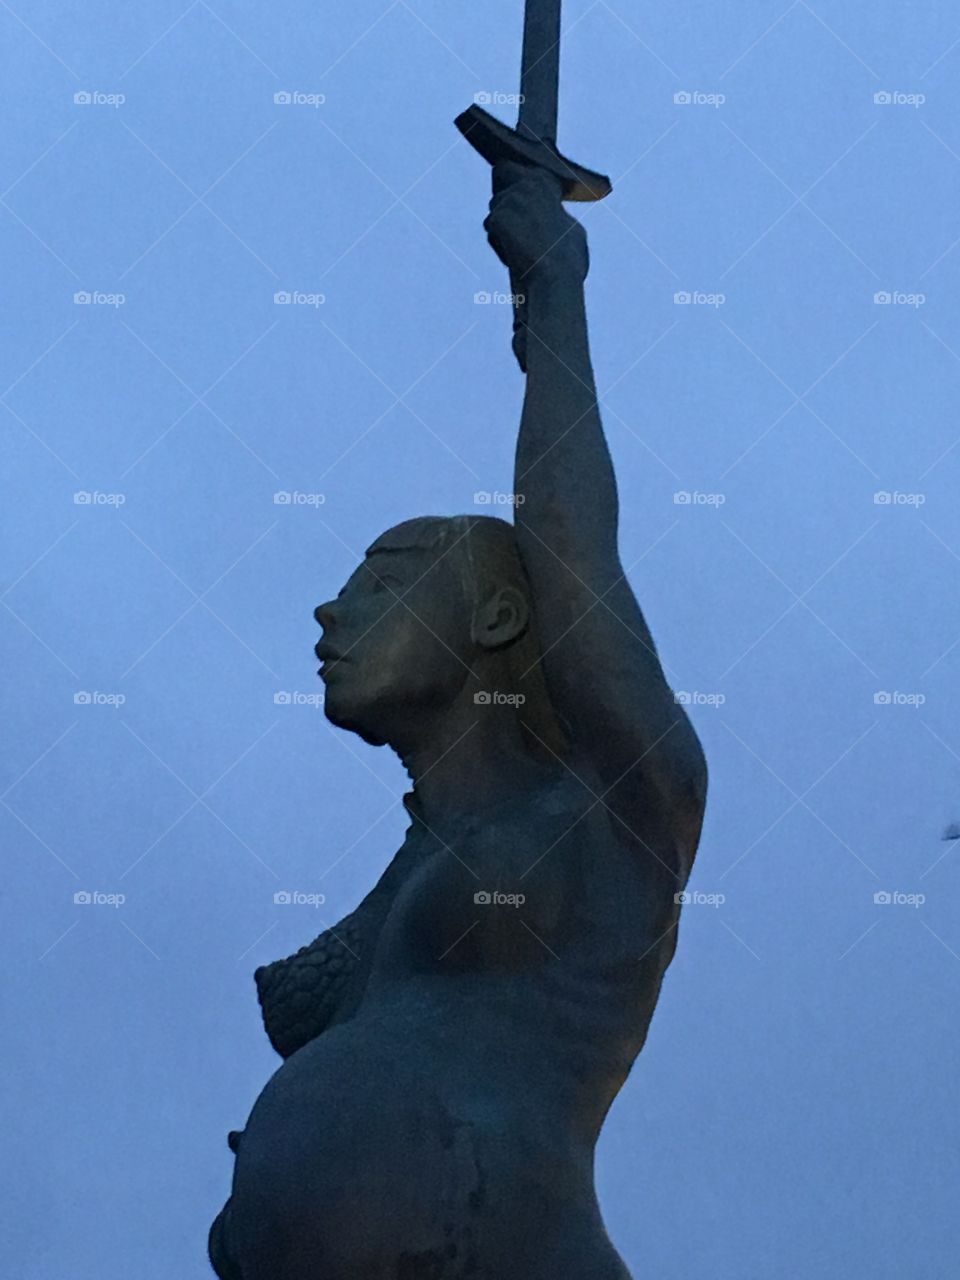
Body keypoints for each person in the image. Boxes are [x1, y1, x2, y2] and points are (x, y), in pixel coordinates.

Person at [210, 162, 707, 1280]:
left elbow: (570, 540)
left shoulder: (610, 807)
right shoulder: (401, 878)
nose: (333, 606)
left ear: (492, 610)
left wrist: (557, 287)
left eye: (385, 576)